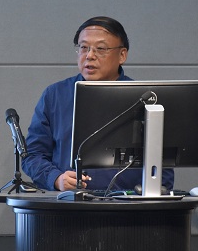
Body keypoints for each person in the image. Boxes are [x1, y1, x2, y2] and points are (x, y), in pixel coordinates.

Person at [21, 16, 174, 191]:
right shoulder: (55, 95)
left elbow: (163, 167)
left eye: (100, 49)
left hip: (129, 204)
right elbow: (32, 155)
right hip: (69, 203)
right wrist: (55, 179)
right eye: (83, 47)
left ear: (122, 55)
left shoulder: (145, 99)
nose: (90, 56)